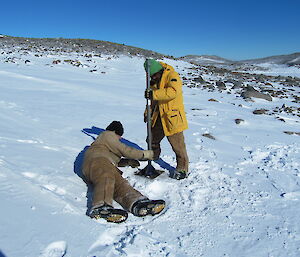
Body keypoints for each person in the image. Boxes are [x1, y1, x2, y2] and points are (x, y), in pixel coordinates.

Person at [82, 121, 165, 223]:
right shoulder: (107, 135)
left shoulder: (105, 144)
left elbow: (114, 156)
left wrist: (126, 161)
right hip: (97, 161)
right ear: (114, 131)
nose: (120, 138)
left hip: (106, 164)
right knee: (106, 177)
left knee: (121, 184)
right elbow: (125, 150)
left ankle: (137, 202)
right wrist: (146, 154)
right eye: (119, 135)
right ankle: (101, 207)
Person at [144, 59, 189, 180]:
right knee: (152, 139)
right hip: (157, 115)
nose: (152, 78)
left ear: (159, 71)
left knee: (178, 146)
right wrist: (147, 113)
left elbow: (173, 92)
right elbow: (151, 101)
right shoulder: (154, 80)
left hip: (172, 117)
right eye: (150, 76)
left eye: (154, 75)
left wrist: (153, 94)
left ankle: (182, 169)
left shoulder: (172, 75)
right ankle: (154, 156)